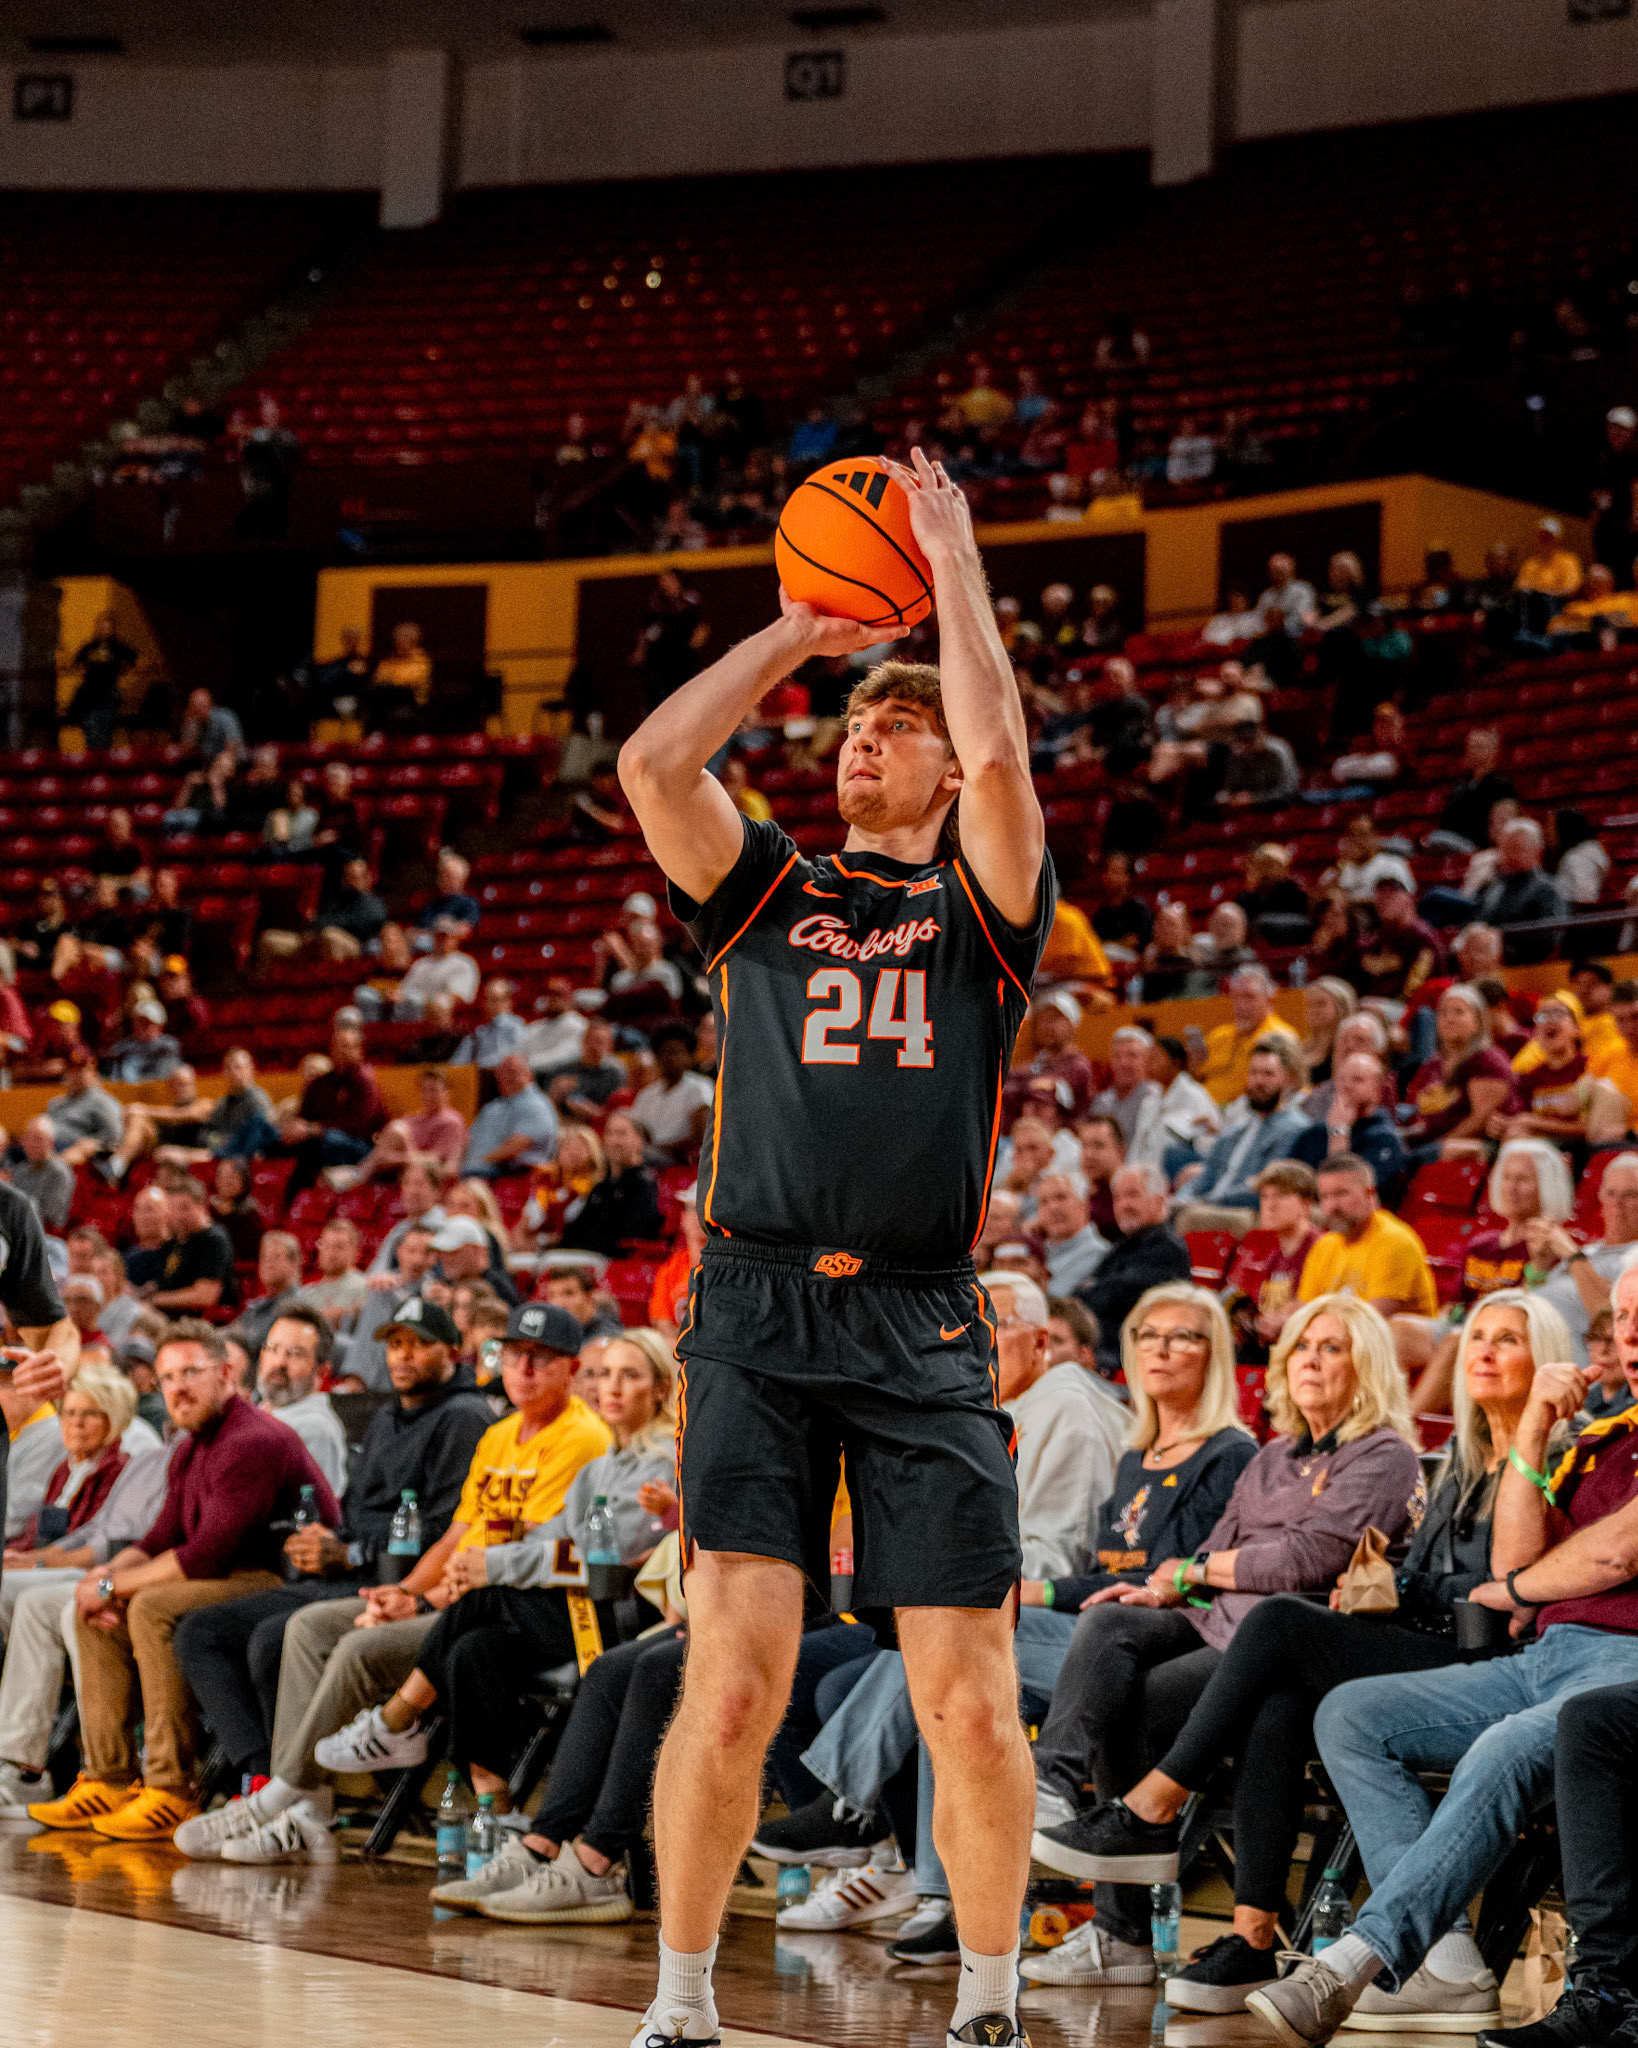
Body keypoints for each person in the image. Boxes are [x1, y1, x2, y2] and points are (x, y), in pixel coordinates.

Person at [613, 446, 1051, 2048]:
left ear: (939, 771)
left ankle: (990, 2007)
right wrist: (800, 634)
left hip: (922, 1320)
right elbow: (656, 763)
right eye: (856, 726)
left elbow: (1004, 764)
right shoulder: (765, 893)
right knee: (726, 1685)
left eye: (896, 724)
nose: (865, 740)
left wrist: (951, 578)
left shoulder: (979, 910)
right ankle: (678, 2004)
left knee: (970, 1699)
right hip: (751, 1304)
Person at [1059, 1290, 1564, 2020]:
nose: (1481, 1350)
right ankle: (1252, 1937)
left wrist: (1408, 1582)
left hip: (1482, 1658)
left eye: (1507, 1339)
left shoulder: (1486, 1454)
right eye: (1477, 1335)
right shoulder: (1458, 1454)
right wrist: (1409, 1582)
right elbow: (1233, 1553)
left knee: (1279, 1622)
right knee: (1275, 1697)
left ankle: (1152, 1807)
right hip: (1420, 1632)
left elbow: (1497, 1587)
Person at [1250, 1264, 1638, 2048]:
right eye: (1624, 1318)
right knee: (1354, 1713)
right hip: (1547, 1654)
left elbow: (1612, 1558)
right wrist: (1531, 1427)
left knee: (1504, 1744)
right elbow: (1512, 1567)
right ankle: (1449, 1955)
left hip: (1622, 1667)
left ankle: (1362, 1953)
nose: (1630, 1336)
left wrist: (1525, 1584)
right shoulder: (1603, 1437)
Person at [1026, 1293, 1422, 1983]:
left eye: (1332, 1348)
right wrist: (1157, 1587)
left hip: (1299, 1642)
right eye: (1301, 1346)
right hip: (1219, 1624)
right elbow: (1218, 1545)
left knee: (1145, 1696)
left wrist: (1200, 1570)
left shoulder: (1384, 1454)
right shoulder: (1273, 1455)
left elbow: (1309, 1558)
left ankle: (1139, 1863)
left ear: (1369, 1366)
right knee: (1110, 1622)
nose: (1311, 1361)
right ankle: (1056, 1785)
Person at [177, 1297, 608, 1865]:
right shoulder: (499, 1435)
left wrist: (420, 1598)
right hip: (450, 1596)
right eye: (514, 1354)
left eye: (542, 1359)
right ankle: (304, 1805)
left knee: (356, 1647)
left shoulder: (580, 1439)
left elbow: (514, 1557)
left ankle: (287, 1791)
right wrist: (406, 1594)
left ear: (571, 1370)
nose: (523, 1369)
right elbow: (456, 1538)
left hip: (516, 1608)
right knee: (304, 1628)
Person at [315, 1318, 674, 1846]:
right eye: (605, 1375)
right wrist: (479, 1560)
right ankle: (497, 1810)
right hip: (566, 1608)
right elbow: (551, 1533)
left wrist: (493, 1567)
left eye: (630, 1376)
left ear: (661, 1388)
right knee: (472, 1652)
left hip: (618, 1619)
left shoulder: (661, 1460)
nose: (611, 1388)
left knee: (483, 1600)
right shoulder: (604, 1464)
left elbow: (601, 1558)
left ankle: (397, 1719)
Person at [169, 1296, 495, 1841]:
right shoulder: (391, 1413)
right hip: (352, 1570)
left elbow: (439, 1532)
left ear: (453, 1352)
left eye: (418, 1344)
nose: (403, 1356)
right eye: (394, 1344)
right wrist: (327, 1540)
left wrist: (350, 1554)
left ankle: (293, 1797)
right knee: (203, 1631)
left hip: (396, 1580)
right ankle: (267, 1780)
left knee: (270, 1638)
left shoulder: (463, 1418)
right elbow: (358, 1511)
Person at [25, 1322, 338, 1841]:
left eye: (191, 1372)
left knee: (151, 1606)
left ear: (226, 1374)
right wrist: (102, 1579)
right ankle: (109, 1777)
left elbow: (205, 1555)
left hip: (279, 1580)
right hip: (225, 1576)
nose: (177, 1388)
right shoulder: (193, 1445)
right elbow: (161, 1535)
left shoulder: (253, 1439)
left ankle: (171, 1788)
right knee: (91, 1611)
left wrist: (110, 1587)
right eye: (167, 1377)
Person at [0, 1360, 171, 1808]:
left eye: (88, 1414)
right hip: (83, 1568)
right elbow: (72, 1536)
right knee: (23, 1596)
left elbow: (101, 1544)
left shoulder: (125, 1462)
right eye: (69, 1413)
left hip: (112, 1571)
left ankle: (33, 1767)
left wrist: (33, 1564)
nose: (75, 1423)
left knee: (31, 1598)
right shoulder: (66, 1466)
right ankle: (19, 1757)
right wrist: (30, 1559)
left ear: (113, 1419)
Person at [1393, 1138, 1575, 1410]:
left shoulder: (1553, 1245)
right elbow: (1454, 1306)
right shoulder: (1482, 1244)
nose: (1511, 1187)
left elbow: (1533, 1308)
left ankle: (1406, 1427)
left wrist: (1539, 1266)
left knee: (1457, 1342)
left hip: (1507, 1336)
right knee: (1394, 1329)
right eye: (1507, 1177)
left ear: (1547, 1186)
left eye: (1523, 1180)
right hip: (1464, 1325)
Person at [1173, 1039, 1311, 1235]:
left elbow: (1265, 1184)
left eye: (1268, 1074)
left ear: (1287, 1079)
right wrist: (1182, 1198)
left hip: (1238, 1209)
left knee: (1189, 1217)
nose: (1259, 1081)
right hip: (1208, 1204)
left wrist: (1209, 1201)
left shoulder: (1294, 1128)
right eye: (1254, 1073)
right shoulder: (1236, 1127)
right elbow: (1206, 1176)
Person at [1076, 1164, 1191, 1374]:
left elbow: (1107, 1296)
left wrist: (1093, 1289)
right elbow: (1089, 1294)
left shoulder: (1167, 1250)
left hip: (1130, 1356)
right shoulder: (1123, 1246)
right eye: (1117, 1198)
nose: (1123, 1205)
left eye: (1132, 1195)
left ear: (1159, 1200)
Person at [1298, 1154, 1436, 1318]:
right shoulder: (1325, 1244)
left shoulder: (1393, 1241)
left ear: (1370, 1193)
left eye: (1341, 1194)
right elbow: (1304, 1309)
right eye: (1325, 1197)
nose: (1331, 1206)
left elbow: (1372, 1323)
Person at [1401, 982, 1517, 1161]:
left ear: (1478, 1022)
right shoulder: (1434, 1063)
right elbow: (1424, 1115)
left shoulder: (1487, 1060)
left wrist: (1438, 1145)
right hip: (1434, 1143)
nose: (1449, 1018)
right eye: (1443, 1013)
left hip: (1479, 1146)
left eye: (1459, 1012)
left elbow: (1479, 1121)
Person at [1221, 1161, 1322, 1358]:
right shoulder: (1273, 1255)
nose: (1269, 1205)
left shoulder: (1321, 1248)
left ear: (1306, 1204)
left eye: (1281, 1196)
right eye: (1264, 1196)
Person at [281, 1023, 388, 1197]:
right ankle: (294, 1201)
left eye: (348, 1047)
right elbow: (305, 1115)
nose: (342, 1051)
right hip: (320, 1139)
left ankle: (338, 1197)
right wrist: (295, 1127)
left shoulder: (365, 1082)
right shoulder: (321, 1083)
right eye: (338, 1046)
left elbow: (356, 1126)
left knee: (330, 1141)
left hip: (361, 1145)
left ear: (358, 1050)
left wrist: (312, 1129)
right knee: (279, 1138)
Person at [1293, 1050, 1405, 1195]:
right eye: (1341, 1079)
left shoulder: (1385, 1139)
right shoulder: (1313, 1134)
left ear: (1377, 1088)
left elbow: (1344, 1194)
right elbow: (1284, 1178)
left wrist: (1339, 1131)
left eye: (1357, 1079)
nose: (1347, 1085)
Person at [1200, 967, 1302, 1107]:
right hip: (1205, 1110)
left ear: (1270, 998)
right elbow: (1200, 1077)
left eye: (1249, 997)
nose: (1241, 1005)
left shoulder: (1281, 1037)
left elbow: (1291, 1088)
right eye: (1236, 997)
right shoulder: (1217, 1035)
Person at [1472, 818, 1566, 966]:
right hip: (1481, 961)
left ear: (1537, 851)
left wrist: (1502, 939)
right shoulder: (1491, 885)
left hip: (1523, 966)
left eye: (1516, 848)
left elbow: (1550, 937)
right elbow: (1473, 920)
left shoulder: (1547, 890)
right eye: (1504, 847)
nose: (1508, 854)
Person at [1004, 991, 1097, 1130]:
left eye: (1056, 1019)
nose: (1048, 1026)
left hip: (1065, 1141)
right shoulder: (1039, 1061)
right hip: (1028, 1139)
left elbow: (1041, 1092)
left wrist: (1023, 1084)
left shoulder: (1078, 1066)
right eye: (1044, 1019)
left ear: (1073, 1024)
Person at [1129, 1035, 1221, 1173]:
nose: (1149, 1063)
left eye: (1156, 1057)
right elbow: (1138, 1144)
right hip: (1143, 1174)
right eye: (1148, 1057)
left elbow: (1207, 1145)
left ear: (1176, 1063)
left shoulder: (1195, 1096)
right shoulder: (1149, 1102)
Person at [461, 1053, 560, 1180]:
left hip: (507, 1176)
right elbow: (467, 1140)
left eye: (512, 1071)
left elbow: (516, 1146)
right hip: (473, 1174)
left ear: (529, 1074)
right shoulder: (493, 1107)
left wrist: (478, 1161)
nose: (506, 1077)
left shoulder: (536, 1105)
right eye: (501, 1072)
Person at [147, 1177, 237, 1316]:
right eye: (173, 1208)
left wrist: (153, 1300)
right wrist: (139, 1293)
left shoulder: (214, 1241)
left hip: (192, 1321)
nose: (177, 1215)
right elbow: (163, 1283)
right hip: (162, 1315)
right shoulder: (174, 1241)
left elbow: (205, 1296)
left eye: (184, 1208)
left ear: (201, 1206)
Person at [630, 1024, 714, 1164]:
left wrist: (662, 1148)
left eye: (677, 1052)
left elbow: (702, 1138)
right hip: (648, 1158)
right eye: (665, 1052)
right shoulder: (646, 1094)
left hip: (683, 1161)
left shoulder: (700, 1087)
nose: (670, 1058)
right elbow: (636, 1130)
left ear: (690, 1056)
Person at [1032, 1174, 1108, 1295]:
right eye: (1043, 1202)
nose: (1053, 1208)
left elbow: (1056, 1298)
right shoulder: (1034, 1253)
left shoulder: (1099, 1254)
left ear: (1084, 1204)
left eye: (1061, 1198)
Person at [1086, 1027, 1160, 1149]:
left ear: (1148, 1060)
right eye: (1117, 1056)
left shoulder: (1156, 1099)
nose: (1123, 1063)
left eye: (1132, 1056)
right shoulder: (1102, 1102)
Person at [292, 1218, 368, 1330]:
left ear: (355, 1251)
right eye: (326, 1245)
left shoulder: (366, 1287)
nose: (331, 1253)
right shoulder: (305, 1294)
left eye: (339, 1247)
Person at [8, 1115, 74, 1231]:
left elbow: (54, 1217)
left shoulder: (59, 1172)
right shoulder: (21, 1169)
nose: (31, 1143)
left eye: (38, 1139)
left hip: (43, 1232)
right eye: (27, 1138)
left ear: (51, 1143)